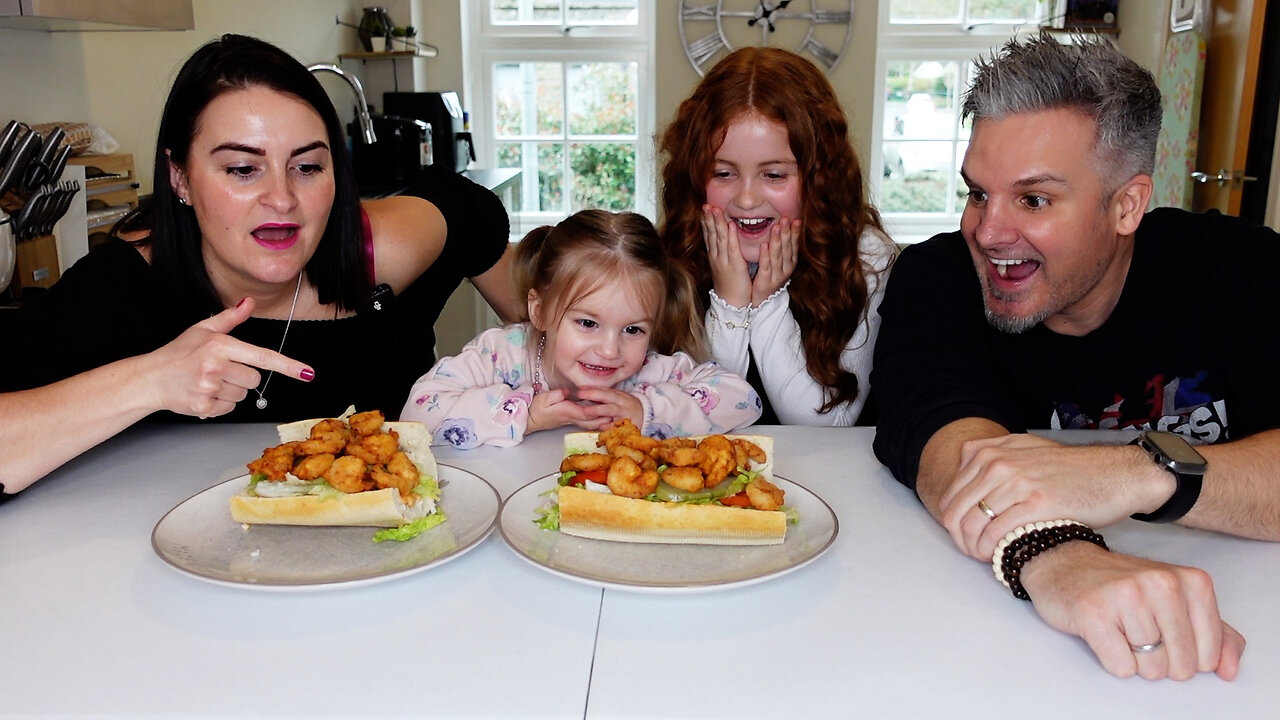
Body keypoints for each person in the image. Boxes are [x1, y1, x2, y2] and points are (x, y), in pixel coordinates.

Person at [870, 31, 1280, 681]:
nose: (988, 230)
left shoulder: (1240, 271)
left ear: (1127, 204)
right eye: (978, 192)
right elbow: (939, 429)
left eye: (1032, 199)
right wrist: (1057, 552)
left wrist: (1138, 475)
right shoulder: (939, 274)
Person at [0, 34, 520, 500]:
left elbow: (471, 215)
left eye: (308, 166)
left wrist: (562, 343)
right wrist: (150, 381)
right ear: (179, 177)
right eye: (243, 169)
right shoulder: (122, 288)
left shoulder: (382, 250)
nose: (282, 198)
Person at [658, 47, 896, 426]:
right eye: (723, 174)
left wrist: (767, 302)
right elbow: (703, 420)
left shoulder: (866, 257)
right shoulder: (676, 249)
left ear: (819, 178)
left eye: (774, 175)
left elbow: (823, 426)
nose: (747, 199)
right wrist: (731, 304)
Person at [400, 209, 762, 447]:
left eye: (633, 330)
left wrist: (645, 412)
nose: (609, 350)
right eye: (587, 323)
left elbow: (742, 399)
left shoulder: (650, 372)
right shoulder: (501, 353)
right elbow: (417, 413)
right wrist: (527, 414)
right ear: (539, 311)